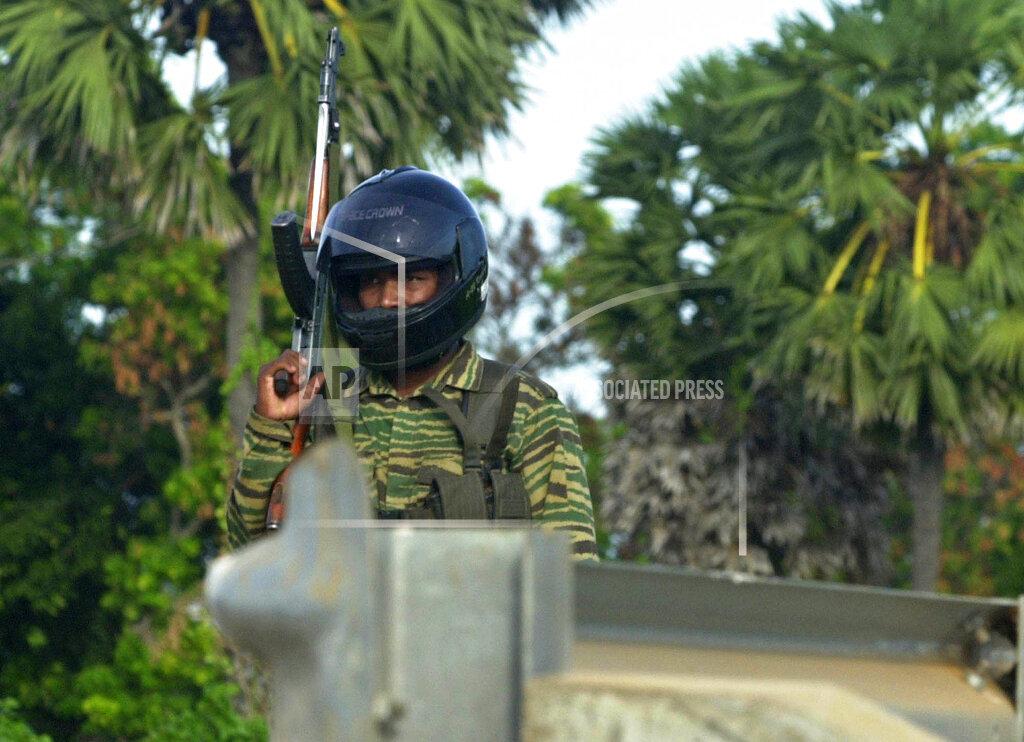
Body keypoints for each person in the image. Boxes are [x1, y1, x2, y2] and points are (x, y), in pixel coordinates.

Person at [226, 166, 597, 560]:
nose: (388, 299)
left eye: (411, 277)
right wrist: (272, 428)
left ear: (453, 277)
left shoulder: (521, 409)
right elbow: (251, 554)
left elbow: (572, 582)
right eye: (371, 282)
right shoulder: (326, 398)